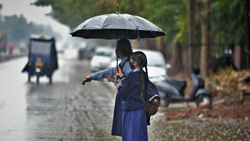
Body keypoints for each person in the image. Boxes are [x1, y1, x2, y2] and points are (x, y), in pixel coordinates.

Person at [82, 39, 133, 136]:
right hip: (125, 101)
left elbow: (129, 85)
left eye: (117, 48)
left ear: (119, 50)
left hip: (128, 102)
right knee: (125, 129)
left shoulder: (127, 66)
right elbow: (108, 72)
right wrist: (92, 77)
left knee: (127, 130)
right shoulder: (123, 64)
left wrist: (113, 80)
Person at [116, 51, 149, 141]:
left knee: (130, 137)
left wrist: (119, 86)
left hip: (130, 112)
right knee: (139, 137)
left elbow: (123, 93)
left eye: (130, 60)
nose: (129, 62)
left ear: (135, 63)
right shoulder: (143, 75)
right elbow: (133, 87)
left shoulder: (132, 75)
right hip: (140, 111)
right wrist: (122, 76)